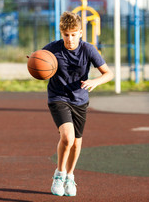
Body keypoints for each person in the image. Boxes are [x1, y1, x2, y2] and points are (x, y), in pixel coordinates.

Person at [42, 11, 114, 196]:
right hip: (58, 97)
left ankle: (70, 176)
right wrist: (36, 66)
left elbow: (108, 73)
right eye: (66, 35)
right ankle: (59, 174)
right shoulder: (52, 48)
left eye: (74, 34)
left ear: (80, 33)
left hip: (80, 99)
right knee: (67, 137)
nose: (70, 39)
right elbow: (38, 61)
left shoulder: (88, 49)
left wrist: (95, 81)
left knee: (76, 143)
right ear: (61, 33)